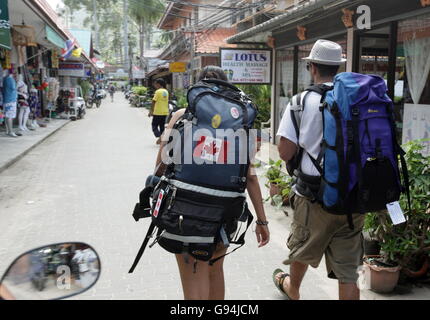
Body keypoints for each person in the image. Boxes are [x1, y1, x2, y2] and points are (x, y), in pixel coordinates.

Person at [154, 66, 270, 300]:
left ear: (198, 90)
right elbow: (250, 176)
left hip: (184, 211)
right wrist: (262, 220)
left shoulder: (181, 116)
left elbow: (161, 164)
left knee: (192, 271)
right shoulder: (241, 123)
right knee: (215, 268)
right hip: (225, 212)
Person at [273, 39, 364, 300]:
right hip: (353, 197)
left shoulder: (301, 101)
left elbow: (284, 152)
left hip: (314, 197)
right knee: (348, 272)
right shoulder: (357, 98)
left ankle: (293, 289)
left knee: (303, 247)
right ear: (338, 68)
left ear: (312, 67)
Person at [149, 79, 169, 144]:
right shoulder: (166, 91)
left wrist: (151, 111)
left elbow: (153, 101)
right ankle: (162, 139)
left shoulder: (158, 91)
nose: (155, 85)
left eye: (155, 84)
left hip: (158, 112)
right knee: (162, 126)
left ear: (159, 84)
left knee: (154, 125)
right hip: (165, 112)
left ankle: (160, 137)